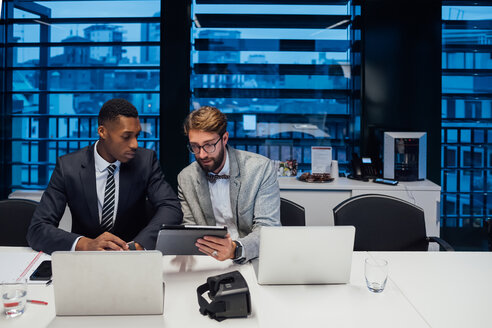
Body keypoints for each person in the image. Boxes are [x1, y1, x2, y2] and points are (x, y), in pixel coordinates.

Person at [27, 98, 182, 254]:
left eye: (136, 136)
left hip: (132, 259)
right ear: (102, 132)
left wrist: (139, 245)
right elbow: (38, 229)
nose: (135, 144)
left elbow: (171, 207)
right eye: (126, 136)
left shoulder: (145, 161)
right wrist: (85, 244)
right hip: (85, 261)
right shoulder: (68, 167)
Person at [178, 106, 280, 263]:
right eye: (195, 146)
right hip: (208, 260)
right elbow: (190, 229)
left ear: (224, 139)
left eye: (209, 145)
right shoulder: (186, 178)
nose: (202, 154)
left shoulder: (260, 168)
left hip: (253, 257)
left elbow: (268, 229)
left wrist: (236, 249)